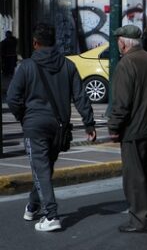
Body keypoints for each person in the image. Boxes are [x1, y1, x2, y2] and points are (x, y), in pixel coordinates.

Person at [7, 23, 96, 232]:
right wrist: (89, 123)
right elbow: (80, 96)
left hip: (35, 125)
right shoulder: (68, 65)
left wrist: (23, 116)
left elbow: (12, 98)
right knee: (45, 168)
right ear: (54, 42)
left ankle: (51, 215)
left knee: (41, 169)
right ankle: (32, 206)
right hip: (59, 127)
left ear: (35, 43)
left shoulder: (26, 66)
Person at [107, 25, 147, 233]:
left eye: (118, 42)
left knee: (134, 176)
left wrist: (114, 127)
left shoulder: (127, 64)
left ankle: (141, 219)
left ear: (123, 43)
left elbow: (121, 102)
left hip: (136, 129)